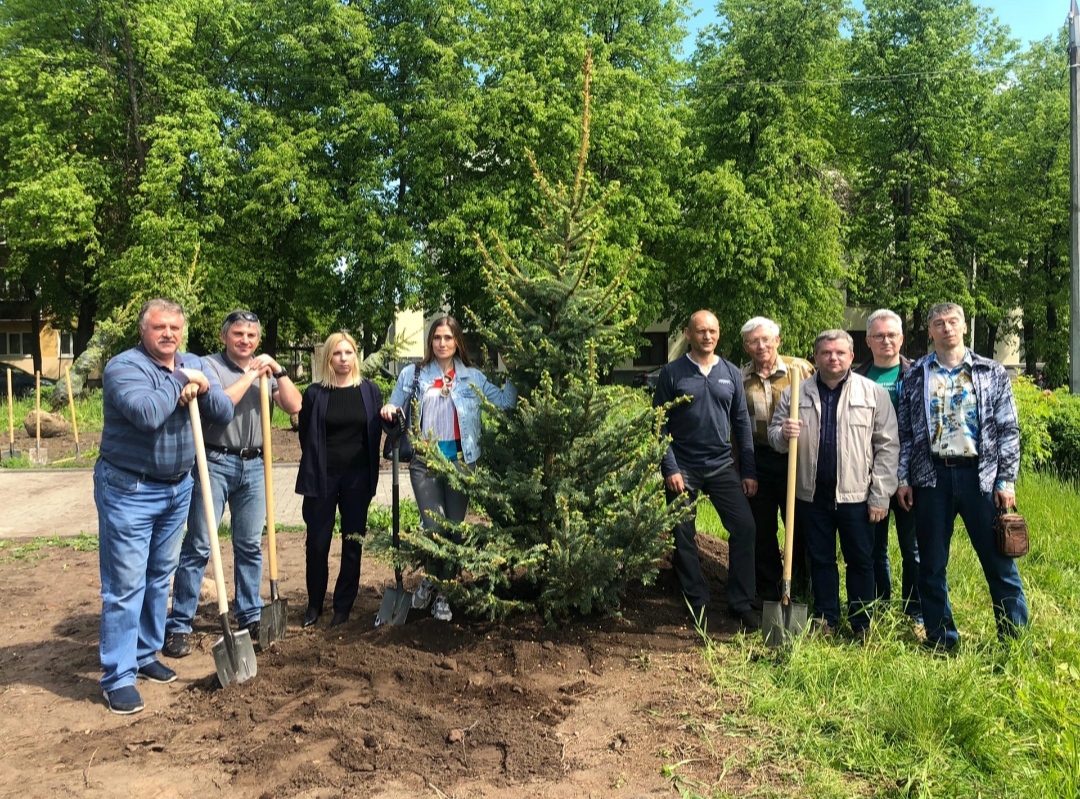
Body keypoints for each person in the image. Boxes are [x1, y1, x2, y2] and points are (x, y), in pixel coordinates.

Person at [95, 299, 233, 714]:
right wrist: (180, 380)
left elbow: (223, 413)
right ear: (144, 331)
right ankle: (117, 676)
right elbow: (146, 413)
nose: (168, 334)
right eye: (159, 327)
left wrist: (204, 388)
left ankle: (144, 654)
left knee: (159, 579)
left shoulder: (193, 362)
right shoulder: (123, 368)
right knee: (125, 586)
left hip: (177, 488)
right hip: (128, 489)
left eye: (175, 327)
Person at [163, 310, 302, 659]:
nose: (245, 341)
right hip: (214, 461)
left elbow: (294, 405)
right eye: (238, 334)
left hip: (256, 465)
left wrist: (278, 372)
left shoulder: (264, 370)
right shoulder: (208, 365)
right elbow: (220, 405)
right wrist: (252, 374)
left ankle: (250, 614)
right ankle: (179, 623)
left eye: (252, 336)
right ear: (225, 336)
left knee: (250, 544)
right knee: (199, 543)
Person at [896, 303, 1028, 651]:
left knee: (999, 563)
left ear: (964, 327)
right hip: (931, 479)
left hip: (980, 479)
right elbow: (906, 433)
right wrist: (904, 478)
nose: (946, 328)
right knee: (932, 566)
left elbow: (1009, 429)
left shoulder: (990, 371)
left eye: (952, 321)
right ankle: (941, 640)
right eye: (938, 323)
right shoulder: (915, 375)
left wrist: (1006, 480)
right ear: (930, 331)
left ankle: (1015, 641)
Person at [379, 316, 517, 622]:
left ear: (457, 342)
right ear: (431, 342)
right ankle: (431, 580)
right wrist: (389, 410)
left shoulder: (473, 379)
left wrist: (515, 366)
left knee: (454, 531)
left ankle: (443, 591)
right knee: (435, 528)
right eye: (437, 338)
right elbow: (394, 406)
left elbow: (506, 402)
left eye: (448, 338)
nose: (442, 343)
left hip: (461, 463)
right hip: (424, 463)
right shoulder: (412, 375)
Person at [769, 330, 898, 640]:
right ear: (816, 357)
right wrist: (783, 434)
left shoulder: (872, 394)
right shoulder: (795, 394)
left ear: (851, 357)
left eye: (840, 353)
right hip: (811, 496)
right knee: (821, 560)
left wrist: (881, 495)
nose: (833, 358)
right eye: (826, 353)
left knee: (860, 561)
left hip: (857, 495)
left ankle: (861, 623)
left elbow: (888, 446)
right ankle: (826, 619)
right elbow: (774, 438)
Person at [654, 310, 760, 632]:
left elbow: (741, 423)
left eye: (712, 331)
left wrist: (749, 471)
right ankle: (696, 601)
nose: (707, 337)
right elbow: (658, 424)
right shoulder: (672, 373)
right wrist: (669, 467)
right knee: (683, 533)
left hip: (721, 466)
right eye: (701, 331)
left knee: (745, 528)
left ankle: (740, 602)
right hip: (683, 468)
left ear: (719, 333)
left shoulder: (730, 372)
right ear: (688, 333)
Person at [295, 331, 384, 629]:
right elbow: (305, 435)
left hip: (358, 478)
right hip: (322, 477)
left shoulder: (370, 392)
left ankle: (343, 605)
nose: (343, 359)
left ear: (355, 356)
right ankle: (314, 603)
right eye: (337, 353)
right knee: (317, 543)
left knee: (352, 541)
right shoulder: (315, 393)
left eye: (348, 353)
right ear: (328, 358)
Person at [854, 309, 922, 634]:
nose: (886, 341)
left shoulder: (917, 375)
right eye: (879, 335)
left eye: (892, 335)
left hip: (910, 478)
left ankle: (914, 612)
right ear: (867, 340)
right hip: (870, 478)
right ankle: (880, 606)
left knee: (912, 549)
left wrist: (906, 475)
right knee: (874, 549)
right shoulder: (856, 378)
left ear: (901, 339)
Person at [739, 316, 814, 605]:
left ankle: (800, 582)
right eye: (754, 341)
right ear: (746, 346)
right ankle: (769, 585)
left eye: (766, 339)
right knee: (762, 524)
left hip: (797, 458)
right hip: (759, 459)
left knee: (800, 523)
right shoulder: (741, 377)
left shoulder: (801, 369)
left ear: (777, 341)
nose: (761, 346)